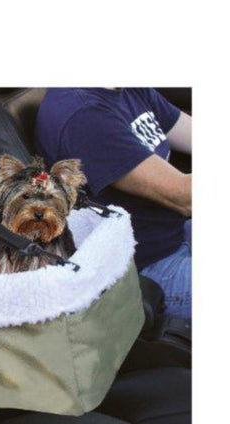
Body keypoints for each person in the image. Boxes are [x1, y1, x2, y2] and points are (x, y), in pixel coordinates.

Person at [35, 88, 192, 319]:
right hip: (147, 269)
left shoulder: (126, 89)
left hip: (176, 232)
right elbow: (184, 197)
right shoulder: (84, 116)